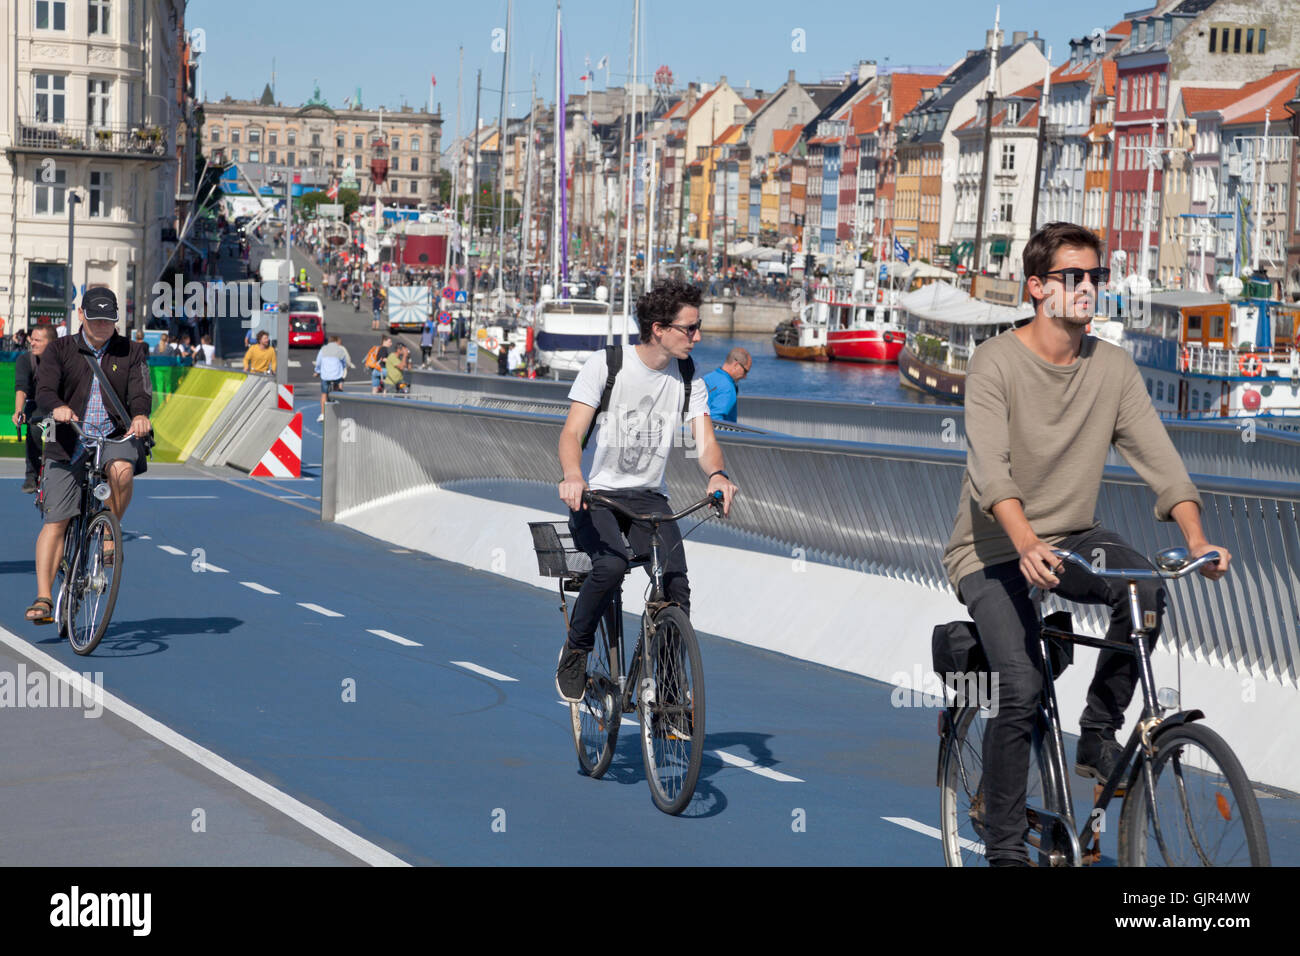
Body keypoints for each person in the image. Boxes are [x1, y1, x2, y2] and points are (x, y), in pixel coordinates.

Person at [940, 222, 1230, 867]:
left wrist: (1197, 537)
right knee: (1017, 685)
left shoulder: (1112, 367)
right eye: (1073, 277)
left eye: (1095, 277)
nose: (1088, 288)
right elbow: (991, 469)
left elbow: (1161, 460)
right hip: (990, 548)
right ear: (1038, 288)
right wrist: (1021, 541)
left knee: (1147, 591)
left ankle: (1098, 734)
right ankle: (1005, 847)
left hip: (1073, 536)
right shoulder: (996, 361)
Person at [553, 280, 739, 703]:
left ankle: (670, 689)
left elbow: (704, 442)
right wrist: (572, 474)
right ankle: (576, 650)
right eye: (690, 328)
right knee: (612, 566)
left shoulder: (689, 378)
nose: (698, 336)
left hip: (649, 499)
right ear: (659, 329)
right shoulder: (607, 366)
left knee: (676, 584)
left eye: (698, 327)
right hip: (596, 495)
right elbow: (571, 434)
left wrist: (716, 475)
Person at [27, 288, 152, 623]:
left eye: (108, 320)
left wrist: (140, 416)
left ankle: (109, 530)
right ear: (81, 315)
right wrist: (59, 408)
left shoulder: (133, 351)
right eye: (95, 319)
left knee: (123, 471)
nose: (101, 326)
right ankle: (43, 597)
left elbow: (141, 391)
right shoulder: (60, 349)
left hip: (114, 434)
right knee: (57, 521)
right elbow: (44, 390)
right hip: (69, 439)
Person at [13, 324, 55, 493]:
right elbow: (21, 388)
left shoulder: (60, 361)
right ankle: (32, 475)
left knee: (53, 437)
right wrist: (18, 410)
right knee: (34, 430)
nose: (33, 343)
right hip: (35, 404)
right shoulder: (25, 360)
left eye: (38, 340)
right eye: (32, 339)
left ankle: (54, 469)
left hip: (55, 405)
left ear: (51, 343)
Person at [701, 347, 752, 423]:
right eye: (745, 371)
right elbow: (716, 419)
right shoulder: (728, 388)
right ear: (736, 365)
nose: (745, 377)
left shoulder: (707, 378)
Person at [313, 335, 351, 422]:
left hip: (325, 375)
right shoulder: (340, 350)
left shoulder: (323, 349)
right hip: (336, 375)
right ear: (336, 341)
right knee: (337, 388)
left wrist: (317, 371)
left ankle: (322, 414)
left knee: (324, 394)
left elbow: (318, 362)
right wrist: (342, 369)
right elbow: (343, 363)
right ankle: (337, 411)